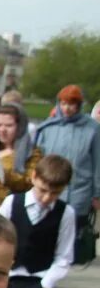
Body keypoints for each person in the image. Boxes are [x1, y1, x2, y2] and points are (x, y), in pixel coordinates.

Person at [0, 154, 75, 288]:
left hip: (37, 280)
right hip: (8, 276)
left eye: (55, 193)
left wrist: (45, 286)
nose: (47, 198)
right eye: (43, 190)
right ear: (33, 177)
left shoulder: (66, 213)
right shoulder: (12, 202)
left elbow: (64, 256)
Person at [33, 84, 99, 242]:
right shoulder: (48, 127)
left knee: (70, 237)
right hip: (49, 190)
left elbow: (98, 163)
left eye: (72, 104)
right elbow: (37, 159)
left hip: (79, 191)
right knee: (46, 234)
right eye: (64, 104)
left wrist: (97, 194)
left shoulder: (93, 129)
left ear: (79, 106)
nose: (67, 108)